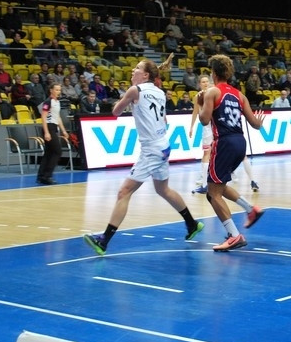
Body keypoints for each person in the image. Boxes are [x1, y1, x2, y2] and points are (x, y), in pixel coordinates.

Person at [83, 59, 204, 255]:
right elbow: (163, 119)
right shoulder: (160, 92)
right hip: (163, 144)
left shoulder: (135, 90)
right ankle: (192, 224)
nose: (133, 70)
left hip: (151, 149)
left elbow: (115, 111)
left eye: (137, 68)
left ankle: (103, 240)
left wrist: (126, 100)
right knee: (163, 189)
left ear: (145, 75)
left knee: (124, 192)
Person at [197, 54, 266, 252]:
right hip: (240, 143)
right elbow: (255, 124)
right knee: (219, 185)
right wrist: (260, 122)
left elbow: (204, 120)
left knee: (212, 194)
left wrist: (202, 102)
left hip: (224, 143)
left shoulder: (212, 92)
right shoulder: (239, 94)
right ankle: (250, 209)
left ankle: (235, 235)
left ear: (214, 73)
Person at [35, 83, 69, 185]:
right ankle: (47, 176)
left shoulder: (57, 102)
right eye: (57, 90)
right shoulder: (47, 102)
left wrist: (63, 130)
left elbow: (57, 117)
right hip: (48, 127)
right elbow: (43, 117)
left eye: (59, 90)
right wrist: (46, 132)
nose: (59, 92)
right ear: (51, 90)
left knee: (49, 153)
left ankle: (41, 176)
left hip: (54, 127)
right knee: (57, 151)